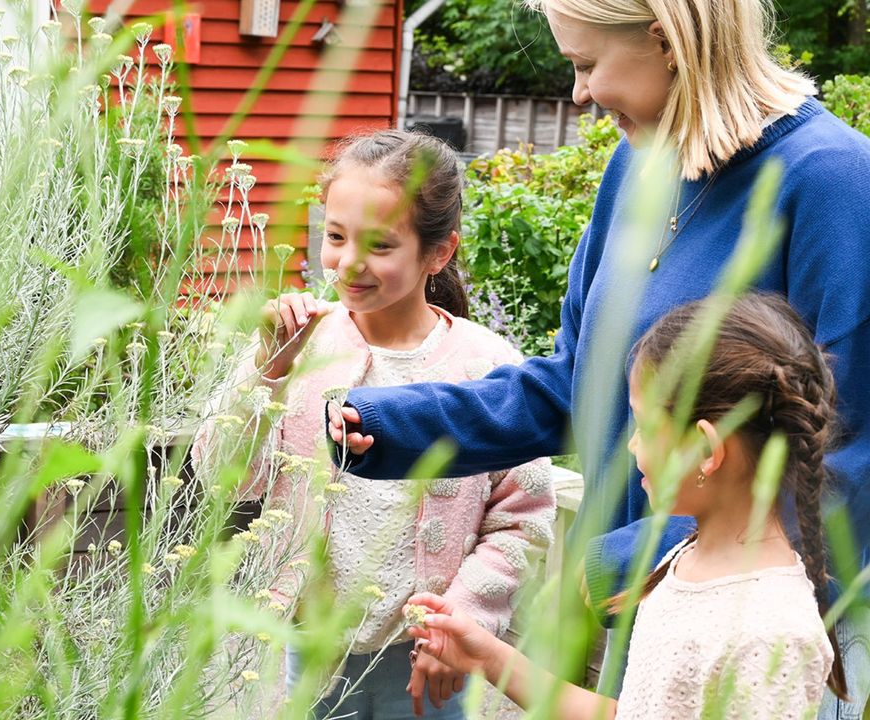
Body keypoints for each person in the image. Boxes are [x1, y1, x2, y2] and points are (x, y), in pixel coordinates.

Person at [326, 1, 870, 715]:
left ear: (667, 40)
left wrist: (633, 559)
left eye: (586, 64)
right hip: (641, 617)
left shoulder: (833, 181)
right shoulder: (635, 168)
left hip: (756, 634)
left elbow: (847, 468)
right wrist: (391, 423)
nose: (578, 92)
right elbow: (573, 387)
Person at [193, 129, 557, 719]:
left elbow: (524, 515)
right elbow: (221, 474)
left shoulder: (488, 368)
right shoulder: (297, 346)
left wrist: (457, 623)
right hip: (311, 648)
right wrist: (266, 372)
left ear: (438, 253)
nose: (347, 262)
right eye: (335, 236)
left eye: (380, 245)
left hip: (424, 660)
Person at [403, 293, 845, 718]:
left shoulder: (771, 635)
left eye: (645, 426)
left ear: (707, 449)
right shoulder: (689, 556)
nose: (633, 444)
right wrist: (486, 656)